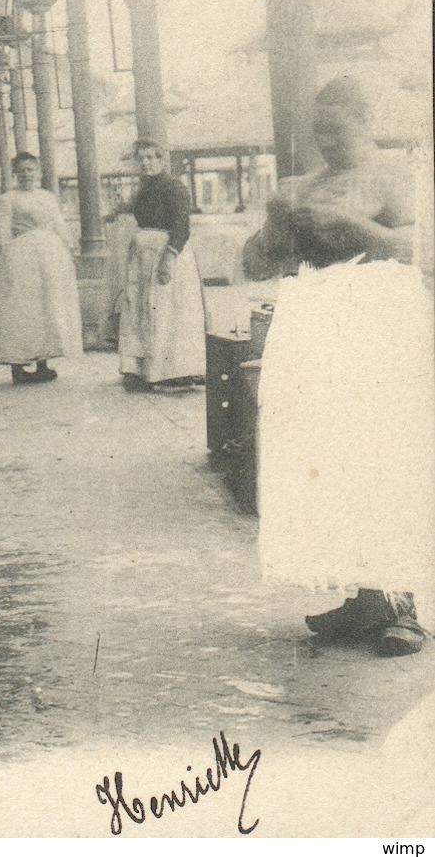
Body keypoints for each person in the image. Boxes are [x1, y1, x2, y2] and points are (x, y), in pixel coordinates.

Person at [243, 76, 430, 657]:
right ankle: (362, 598)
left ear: (366, 120)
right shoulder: (304, 186)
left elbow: (419, 251)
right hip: (316, 329)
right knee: (329, 457)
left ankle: (401, 602)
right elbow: (252, 265)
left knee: (379, 454)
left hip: (377, 327)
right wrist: (278, 223)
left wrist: (353, 229)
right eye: (318, 128)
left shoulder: (394, 177)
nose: (325, 139)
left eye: (337, 127)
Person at [118, 139, 207, 391]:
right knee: (141, 310)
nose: (146, 163)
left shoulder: (174, 188)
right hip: (143, 256)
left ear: (162, 159)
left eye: (151, 157)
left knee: (166, 311)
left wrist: (169, 259)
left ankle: (172, 371)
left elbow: (181, 227)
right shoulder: (144, 190)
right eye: (142, 158)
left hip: (167, 254)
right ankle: (141, 369)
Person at [0, 152, 83, 383]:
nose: (27, 174)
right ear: (15, 173)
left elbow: (58, 223)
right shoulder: (7, 200)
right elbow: (2, 234)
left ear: (38, 172)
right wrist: (3, 262)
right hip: (21, 258)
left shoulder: (48, 197)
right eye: (22, 170)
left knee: (46, 307)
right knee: (22, 308)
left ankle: (43, 362)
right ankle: (18, 366)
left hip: (49, 257)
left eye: (31, 169)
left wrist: (69, 246)